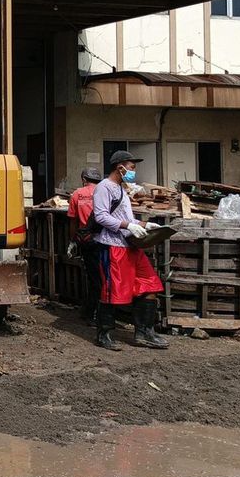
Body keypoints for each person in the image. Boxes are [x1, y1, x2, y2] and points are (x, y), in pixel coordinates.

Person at [91, 150, 169, 351]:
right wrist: (127, 226)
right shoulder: (104, 187)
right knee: (112, 290)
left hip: (130, 246)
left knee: (150, 284)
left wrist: (144, 224)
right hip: (112, 246)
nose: (134, 171)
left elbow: (126, 217)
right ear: (120, 167)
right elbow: (100, 216)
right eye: (132, 167)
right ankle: (104, 334)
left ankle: (144, 332)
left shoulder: (121, 190)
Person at [67, 167, 102, 325]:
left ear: (83, 179)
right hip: (106, 240)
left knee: (94, 278)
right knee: (105, 277)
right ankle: (95, 312)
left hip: (87, 240)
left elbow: (73, 220)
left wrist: (73, 240)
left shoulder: (77, 194)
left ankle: (90, 312)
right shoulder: (104, 192)